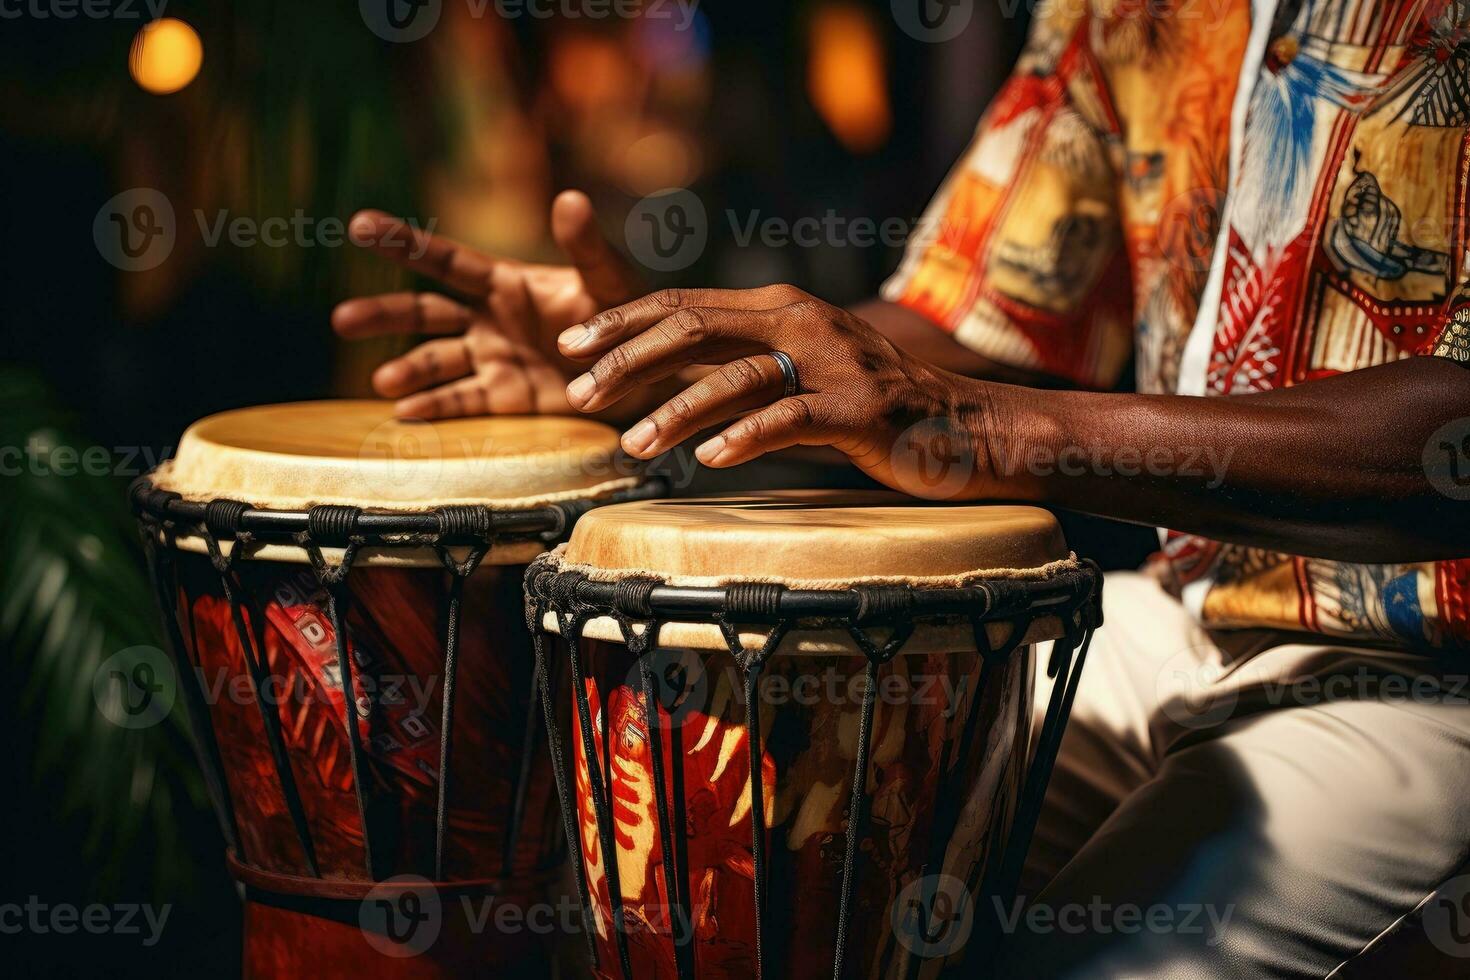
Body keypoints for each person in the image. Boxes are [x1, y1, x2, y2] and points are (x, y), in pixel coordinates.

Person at [333, 1, 1470, 975]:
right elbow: (987, 316)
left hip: (1431, 682)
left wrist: (968, 421)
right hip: (1179, 621)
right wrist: (652, 362)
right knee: (768, 851)